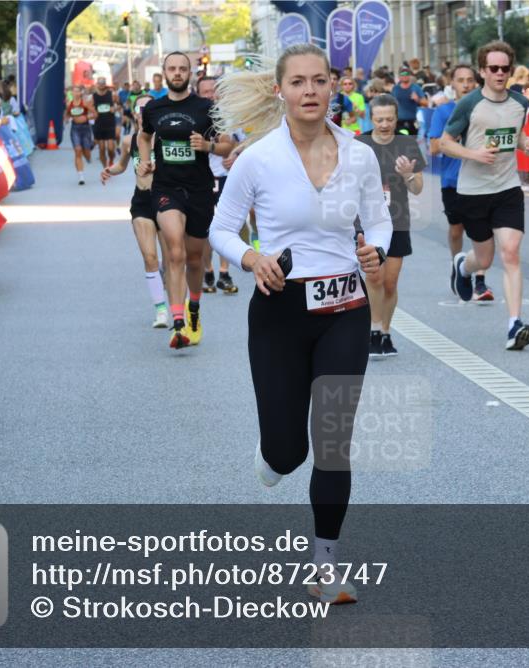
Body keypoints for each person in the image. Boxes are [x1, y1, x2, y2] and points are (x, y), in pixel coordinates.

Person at [209, 43, 390, 605]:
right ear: (280, 91)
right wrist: (249, 258)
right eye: (298, 82)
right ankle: (274, 454)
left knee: (333, 443)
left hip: (344, 309)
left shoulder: (359, 155)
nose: (310, 91)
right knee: (288, 453)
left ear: (333, 86)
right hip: (281, 309)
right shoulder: (257, 159)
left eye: (319, 81)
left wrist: (374, 253)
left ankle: (325, 562)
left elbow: (380, 222)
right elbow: (222, 230)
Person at [442, 40, 529, 351]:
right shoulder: (469, 104)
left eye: (504, 68)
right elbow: (444, 143)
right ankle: (463, 267)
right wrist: (473, 153)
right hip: (473, 192)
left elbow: (516, 133)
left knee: (510, 252)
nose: (499, 73)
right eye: (493, 68)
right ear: (482, 71)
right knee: (484, 258)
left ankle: (514, 325)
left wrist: (525, 145)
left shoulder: (520, 103)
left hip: (507, 188)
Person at [137, 52, 232, 349]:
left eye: (182, 69)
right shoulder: (153, 107)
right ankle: (177, 322)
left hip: (200, 189)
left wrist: (208, 145)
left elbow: (229, 143)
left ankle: (193, 309)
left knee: (193, 258)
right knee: (174, 249)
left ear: (190, 73)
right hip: (166, 187)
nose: (177, 73)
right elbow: (143, 136)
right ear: (164, 72)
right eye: (172, 68)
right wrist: (146, 160)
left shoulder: (207, 107)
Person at [357, 94, 425, 357]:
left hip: (397, 220)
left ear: (397, 118)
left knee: (390, 282)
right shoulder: (359, 144)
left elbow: (417, 188)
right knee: (374, 275)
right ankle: (373, 329)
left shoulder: (406, 143)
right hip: (367, 221)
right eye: (379, 119)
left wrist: (408, 174)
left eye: (389, 119)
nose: (384, 124)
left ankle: (386, 331)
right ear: (370, 118)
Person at [101, 94, 170, 328]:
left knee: (170, 260)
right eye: (140, 108)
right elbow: (122, 164)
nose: (143, 112)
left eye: (148, 108)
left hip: (166, 200)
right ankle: (161, 311)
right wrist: (110, 170)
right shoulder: (128, 140)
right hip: (141, 202)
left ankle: (165, 276)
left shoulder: (164, 139)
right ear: (134, 113)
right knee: (149, 257)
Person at [428, 64, 492, 301]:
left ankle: (480, 282)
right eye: (460, 80)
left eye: (469, 80)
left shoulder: (485, 110)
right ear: (452, 84)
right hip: (453, 181)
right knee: (457, 230)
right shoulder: (444, 112)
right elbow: (434, 148)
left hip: (481, 179)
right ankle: (458, 266)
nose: (465, 84)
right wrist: (454, 136)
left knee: (482, 231)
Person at [196, 75, 240, 294]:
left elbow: (243, 140)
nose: (211, 95)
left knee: (224, 225)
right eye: (205, 92)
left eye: (214, 91)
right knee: (204, 229)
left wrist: (236, 153)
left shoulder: (228, 116)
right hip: (201, 177)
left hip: (225, 176)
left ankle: (224, 272)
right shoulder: (194, 117)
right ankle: (208, 270)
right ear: (198, 94)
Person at [64, 84, 96, 185]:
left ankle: (88, 155)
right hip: (75, 129)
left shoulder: (85, 103)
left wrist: (86, 118)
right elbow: (67, 114)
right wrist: (67, 118)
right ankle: (81, 176)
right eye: (74, 91)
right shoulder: (69, 103)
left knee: (87, 152)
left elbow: (95, 114)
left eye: (78, 91)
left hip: (85, 129)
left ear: (80, 93)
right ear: (72, 93)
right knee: (78, 150)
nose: (76, 93)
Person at [92, 77, 119, 166]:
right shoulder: (93, 96)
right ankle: (105, 168)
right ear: (97, 84)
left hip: (110, 123)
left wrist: (114, 108)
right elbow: (88, 107)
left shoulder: (112, 94)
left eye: (103, 83)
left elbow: (119, 105)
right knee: (102, 148)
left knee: (111, 148)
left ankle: (111, 160)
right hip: (99, 124)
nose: (101, 84)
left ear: (105, 84)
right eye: (99, 83)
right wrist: (93, 112)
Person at [392, 68, 427, 134]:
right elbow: (391, 103)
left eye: (407, 74)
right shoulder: (395, 88)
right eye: (402, 75)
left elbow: (426, 103)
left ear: (410, 76)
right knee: (402, 139)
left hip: (413, 120)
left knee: (413, 140)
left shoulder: (416, 87)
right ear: (399, 77)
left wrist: (417, 99)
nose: (404, 76)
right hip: (399, 120)